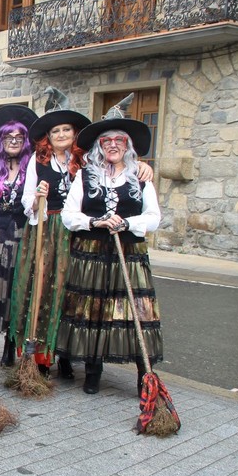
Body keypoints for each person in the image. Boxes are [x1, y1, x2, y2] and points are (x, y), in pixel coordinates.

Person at [57, 104, 162, 395]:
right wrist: (95, 221)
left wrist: (127, 223)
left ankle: (145, 375)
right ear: (99, 146)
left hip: (129, 254)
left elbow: (153, 218)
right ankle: (93, 372)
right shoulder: (85, 176)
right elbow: (68, 215)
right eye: (106, 141)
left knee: (136, 312)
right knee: (93, 312)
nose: (113, 145)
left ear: (127, 145)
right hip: (92, 253)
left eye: (119, 140)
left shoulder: (140, 177)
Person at [8, 90, 91, 380]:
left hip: (77, 233)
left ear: (74, 133)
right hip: (46, 231)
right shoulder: (38, 160)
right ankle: (41, 357)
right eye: (55, 131)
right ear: (48, 136)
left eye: (66, 129)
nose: (61, 134)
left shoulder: (85, 161)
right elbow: (26, 199)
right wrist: (37, 198)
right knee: (42, 290)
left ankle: (66, 354)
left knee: (72, 293)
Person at [0, 105, 36, 368]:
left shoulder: (33, 171)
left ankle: (11, 345)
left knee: (15, 290)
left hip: (21, 237)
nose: (14, 141)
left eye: (19, 137)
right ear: (0, 141)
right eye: (8, 137)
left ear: (25, 141)